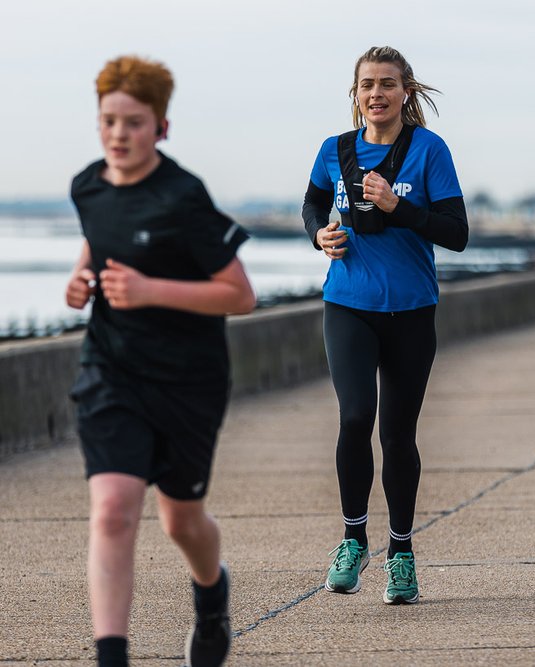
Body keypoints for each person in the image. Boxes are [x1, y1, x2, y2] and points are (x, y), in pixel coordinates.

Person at [65, 56, 255, 667]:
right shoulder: (86, 186)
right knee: (114, 511)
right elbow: (101, 234)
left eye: (134, 123)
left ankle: (211, 593)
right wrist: (81, 277)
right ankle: (111, 656)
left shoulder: (183, 197)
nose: (119, 134)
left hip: (187, 380)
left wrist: (150, 290)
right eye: (109, 121)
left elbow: (240, 294)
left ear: (161, 128)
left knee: (181, 523)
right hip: (111, 370)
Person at [301, 46, 468, 604]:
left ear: (407, 92)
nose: (377, 93)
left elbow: (456, 232)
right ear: (356, 94)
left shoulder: (429, 150)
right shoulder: (334, 150)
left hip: (411, 312)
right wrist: (318, 236)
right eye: (367, 84)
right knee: (354, 418)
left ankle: (401, 552)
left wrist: (399, 207)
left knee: (397, 436)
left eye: (388, 84)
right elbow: (313, 204)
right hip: (348, 304)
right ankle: (353, 539)